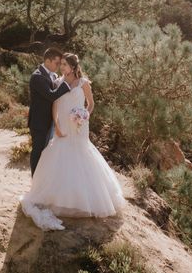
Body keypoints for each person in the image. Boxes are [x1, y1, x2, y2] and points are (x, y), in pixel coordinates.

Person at [21, 53, 125, 231]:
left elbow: (91, 104)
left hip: (79, 127)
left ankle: (83, 200)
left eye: (65, 65)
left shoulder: (83, 83)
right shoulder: (58, 81)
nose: (62, 68)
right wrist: (56, 125)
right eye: (60, 64)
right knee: (58, 156)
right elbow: (54, 104)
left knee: (81, 156)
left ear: (73, 67)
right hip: (63, 126)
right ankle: (56, 197)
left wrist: (85, 116)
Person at [28, 47, 70, 175]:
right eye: (57, 63)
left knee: (46, 153)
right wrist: (66, 84)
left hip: (51, 122)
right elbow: (51, 95)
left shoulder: (54, 76)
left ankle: (43, 180)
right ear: (47, 61)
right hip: (39, 122)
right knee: (38, 151)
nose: (58, 67)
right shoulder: (37, 77)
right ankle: (35, 180)